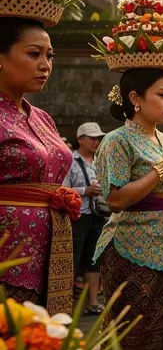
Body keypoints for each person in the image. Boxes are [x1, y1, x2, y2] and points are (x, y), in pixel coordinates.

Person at [95, 68, 163, 350]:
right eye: (162, 94)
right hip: (132, 247)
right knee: (134, 333)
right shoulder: (117, 141)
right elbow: (116, 199)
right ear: (135, 99)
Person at [0, 17, 78, 311]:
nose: (45, 64)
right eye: (34, 54)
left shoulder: (42, 117)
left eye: (49, 55)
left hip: (53, 244)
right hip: (8, 246)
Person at [65, 122, 108, 315]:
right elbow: (62, 190)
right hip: (78, 216)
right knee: (73, 258)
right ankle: (66, 305)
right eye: (91, 138)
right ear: (80, 139)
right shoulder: (70, 161)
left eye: (98, 138)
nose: (95, 141)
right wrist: (85, 191)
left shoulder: (100, 161)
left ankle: (92, 302)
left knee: (94, 259)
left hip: (98, 215)